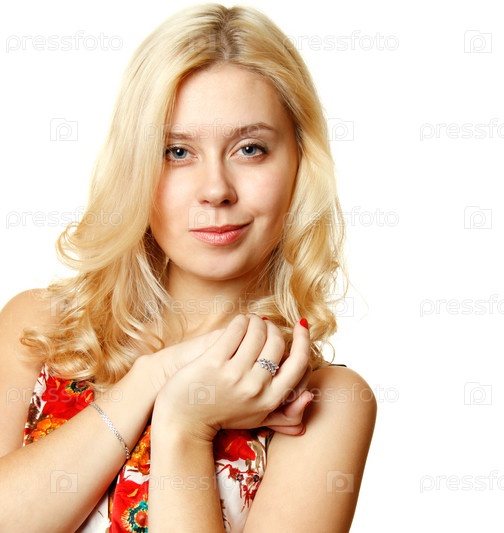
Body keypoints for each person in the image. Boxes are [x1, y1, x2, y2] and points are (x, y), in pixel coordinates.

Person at [0, 4, 376, 531]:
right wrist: (154, 376)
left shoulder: (325, 401)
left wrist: (185, 422)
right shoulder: (41, 330)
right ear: (135, 166)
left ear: (298, 160)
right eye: (177, 152)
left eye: (250, 149)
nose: (216, 190)